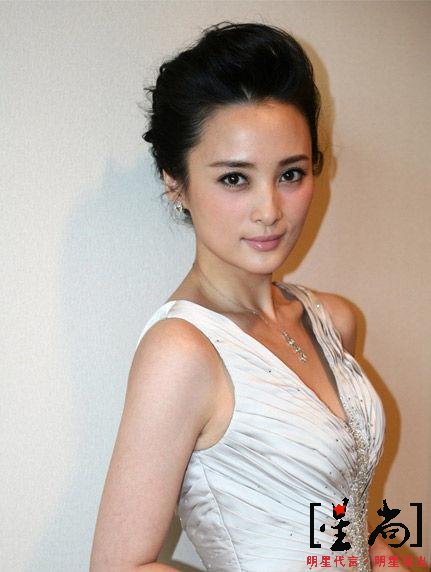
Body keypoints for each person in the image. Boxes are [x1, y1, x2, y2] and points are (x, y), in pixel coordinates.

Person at [90, 21, 402, 572]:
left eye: (291, 174)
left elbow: (340, 506)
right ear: (175, 181)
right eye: (235, 178)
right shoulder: (182, 352)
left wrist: (381, 554)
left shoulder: (333, 320)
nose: (270, 211)